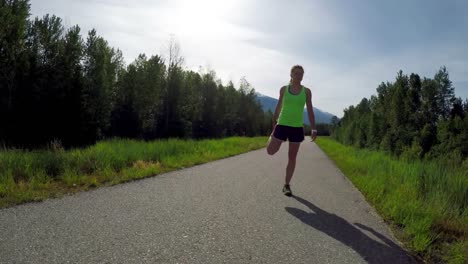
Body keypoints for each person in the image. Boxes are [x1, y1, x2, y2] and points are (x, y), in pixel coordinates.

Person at [266, 65, 317, 197]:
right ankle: (273, 136)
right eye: (296, 73)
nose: (298, 76)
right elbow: (278, 106)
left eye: (301, 74)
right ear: (291, 74)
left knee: (292, 157)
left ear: (303, 76)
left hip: (296, 127)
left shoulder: (307, 92)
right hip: (282, 124)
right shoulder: (284, 89)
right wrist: (274, 122)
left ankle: (287, 185)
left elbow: (310, 111)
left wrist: (313, 127)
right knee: (270, 151)